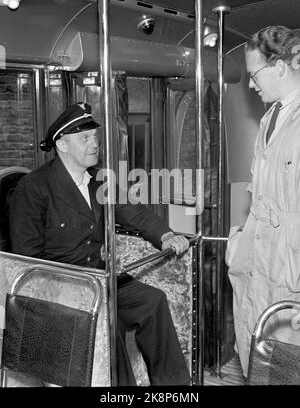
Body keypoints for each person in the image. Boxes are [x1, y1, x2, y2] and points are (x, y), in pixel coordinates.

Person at [9, 102, 191, 386]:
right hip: (62, 285)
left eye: (94, 136)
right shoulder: (34, 188)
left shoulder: (98, 181)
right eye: (85, 138)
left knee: (152, 301)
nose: (94, 143)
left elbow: (134, 211)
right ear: (62, 144)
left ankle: (173, 387)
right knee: (110, 324)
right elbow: (28, 259)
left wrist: (166, 234)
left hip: (100, 277)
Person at [226, 25, 300, 378]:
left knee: (287, 363)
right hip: (259, 258)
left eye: (255, 75)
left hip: (290, 267)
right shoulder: (271, 117)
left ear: (281, 67)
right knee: (255, 350)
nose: (251, 85)